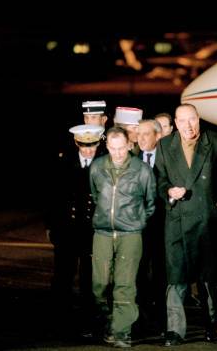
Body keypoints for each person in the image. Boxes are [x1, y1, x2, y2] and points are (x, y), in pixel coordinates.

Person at [154, 103, 217, 346]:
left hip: (207, 222)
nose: (189, 126)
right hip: (177, 221)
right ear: (175, 123)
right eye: (183, 121)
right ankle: (175, 330)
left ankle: (214, 324)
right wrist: (168, 191)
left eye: (193, 120)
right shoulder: (165, 146)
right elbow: (160, 179)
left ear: (199, 119)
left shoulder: (215, 141)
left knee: (209, 278)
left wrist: (216, 206)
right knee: (176, 279)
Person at [90, 127, 156, 348]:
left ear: (129, 144)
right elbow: (95, 194)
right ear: (106, 146)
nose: (117, 153)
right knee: (99, 283)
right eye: (112, 148)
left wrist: (136, 222)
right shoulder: (97, 167)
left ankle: (121, 331)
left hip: (130, 233)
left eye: (121, 148)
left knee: (125, 284)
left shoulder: (142, 170)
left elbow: (150, 203)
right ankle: (106, 324)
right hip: (102, 232)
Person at [45, 124, 105, 338]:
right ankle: (60, 322)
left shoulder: (104, 162)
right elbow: (51, 196)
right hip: (67, 230)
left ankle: (90, 323)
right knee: (62, 277)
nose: (88, 150)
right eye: (83, 145)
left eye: (92, 145)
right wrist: (50, 226)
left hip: (93, 230)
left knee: (91, 280)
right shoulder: (63, 162)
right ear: (76, 143)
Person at [135, 119, 167, 335]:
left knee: (161, 275)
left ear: (158, 136)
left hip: (162, 227)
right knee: (138, 274)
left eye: (146, 134)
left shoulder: (168, 159)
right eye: (139, 134)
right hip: (138, 227)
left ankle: (162, 321)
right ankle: (140, 320)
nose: (141, 138)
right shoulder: (132, 160)